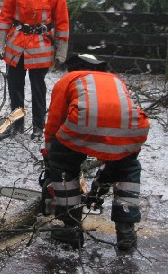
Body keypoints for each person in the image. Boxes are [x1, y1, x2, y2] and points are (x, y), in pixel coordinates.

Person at [43, 54, 150, 251]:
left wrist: (50, 156)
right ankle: (126, 231)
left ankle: (71, 228)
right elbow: (111, 119)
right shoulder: (116, 80)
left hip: (83, 123)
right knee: (127, 169)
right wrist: (103, 180)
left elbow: (55, 119)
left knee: (65, 164)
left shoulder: (69, 79)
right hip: (133, 128)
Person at [0, 0, 69, 139]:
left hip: (41, 44)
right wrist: (0, 44)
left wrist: (61, 51)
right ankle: (17, 123)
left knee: (38, 88)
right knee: (15, 86)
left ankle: (38, 126)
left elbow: (62, 22)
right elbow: (5, 16)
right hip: (17, 43)